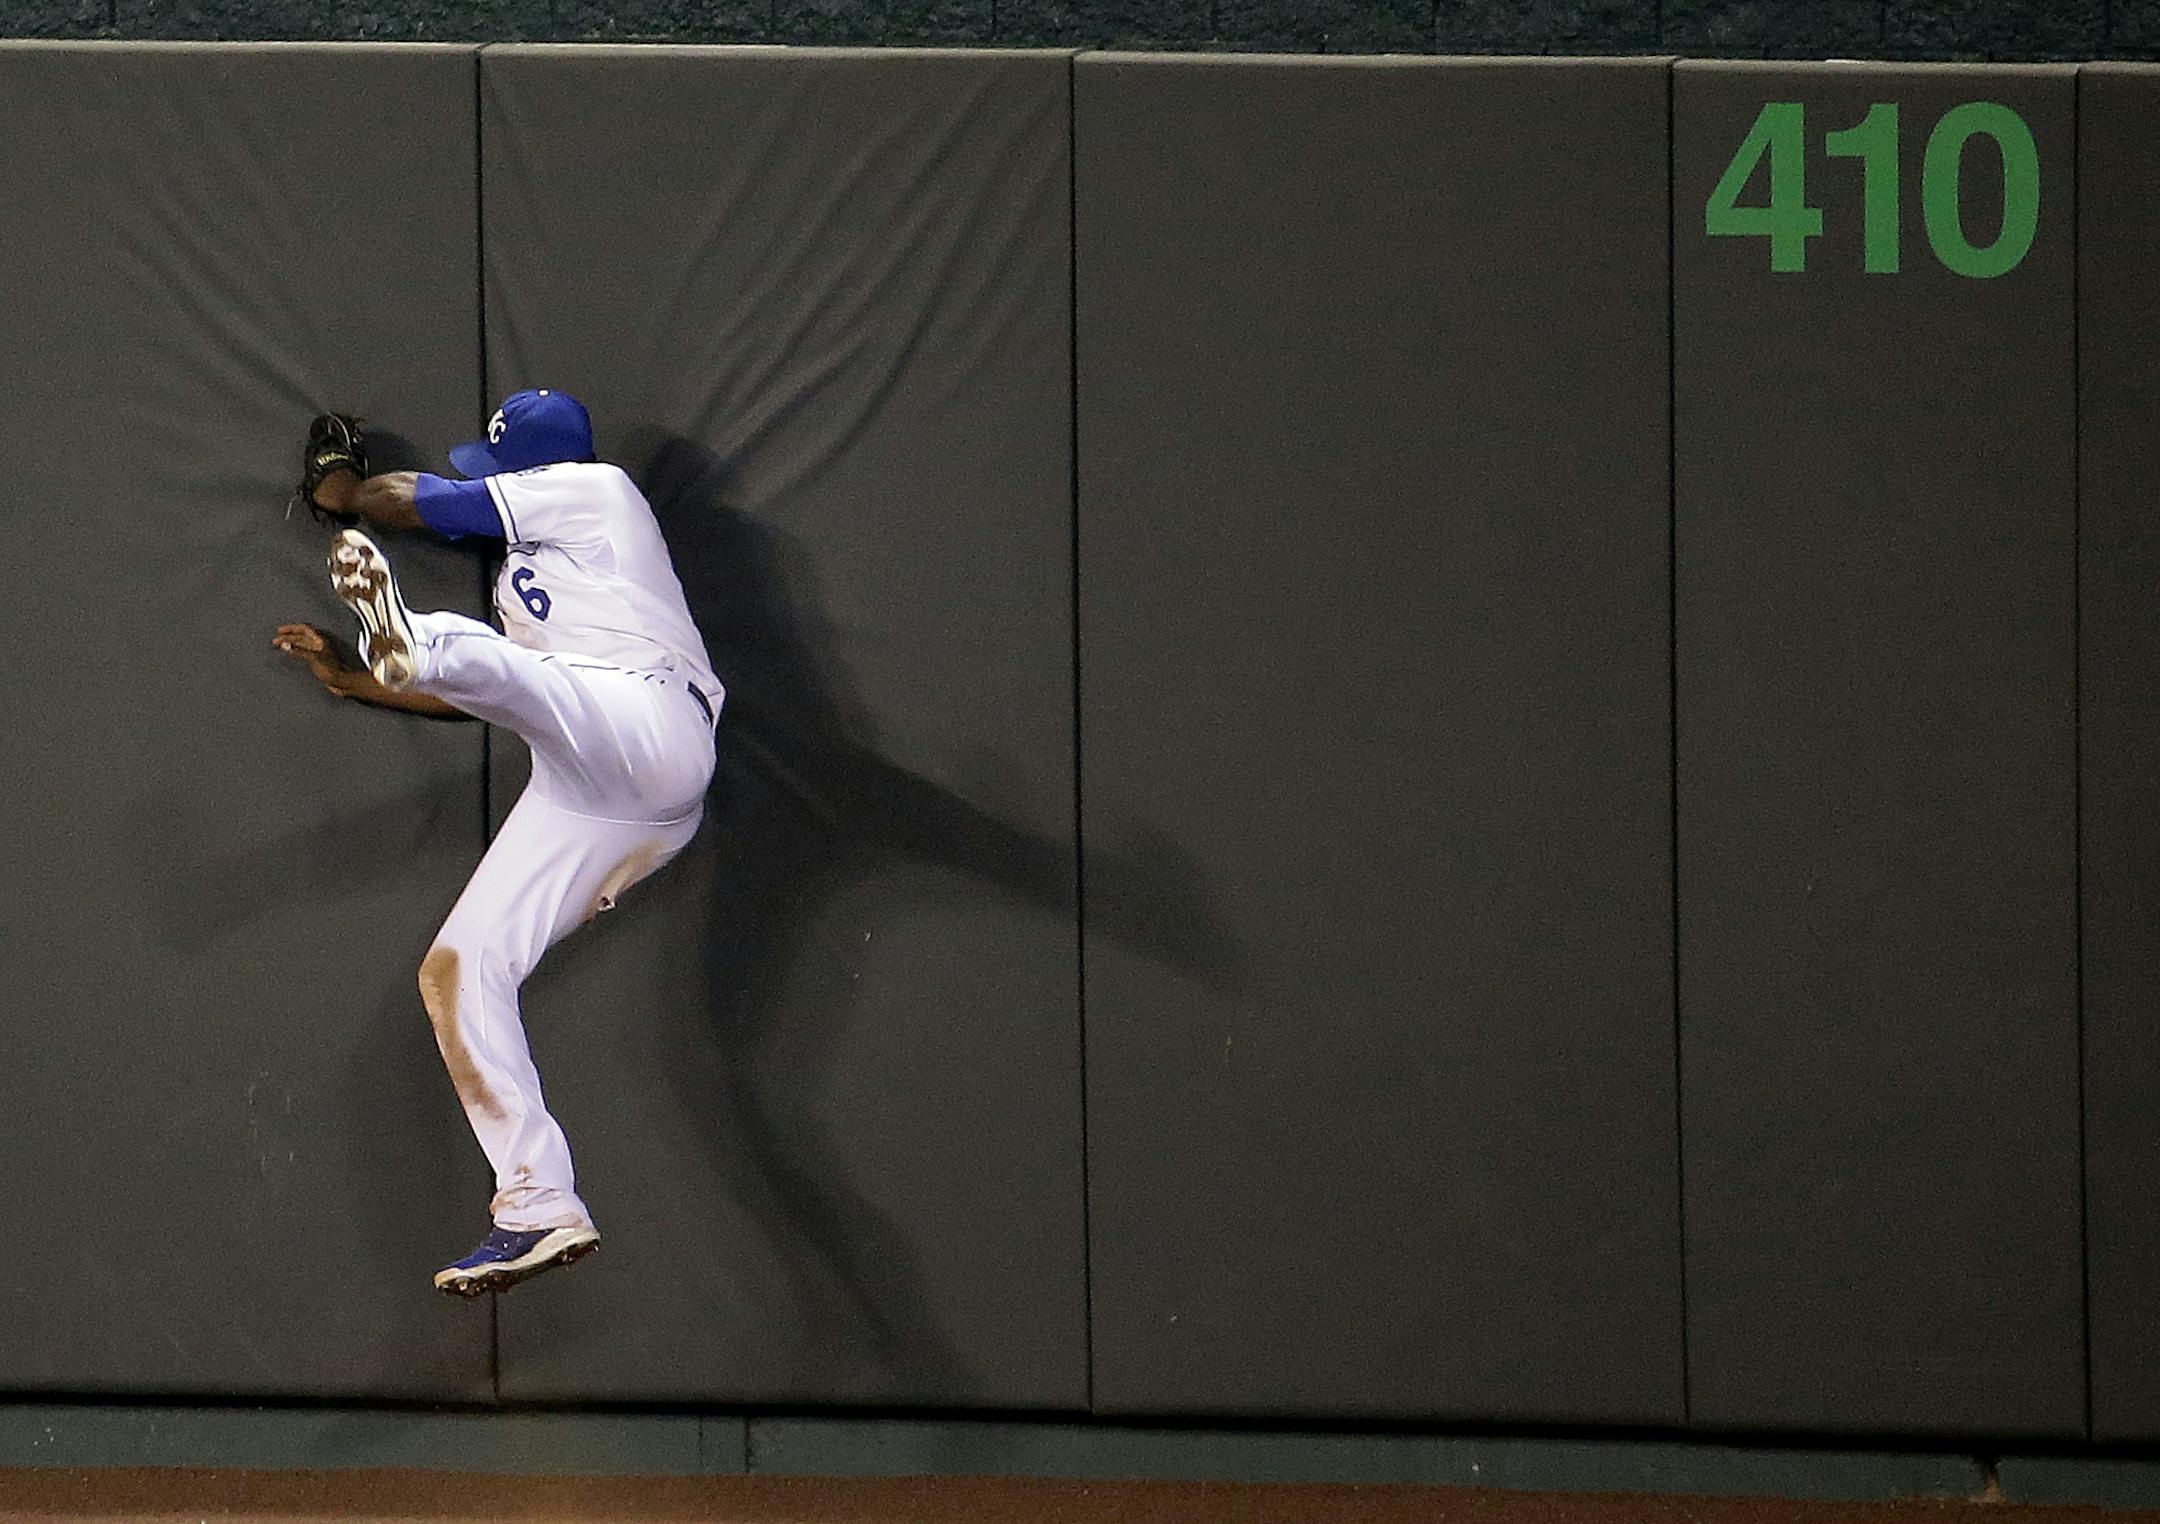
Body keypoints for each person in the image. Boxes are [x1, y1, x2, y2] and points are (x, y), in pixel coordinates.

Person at [272, 389, 723, 1297]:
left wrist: (345, 493)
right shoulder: (531, 582)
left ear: (539, 467)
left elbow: (421, 503)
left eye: (499, 465)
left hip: (651, 718)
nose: (490, 481)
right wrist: (361, 685)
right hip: (598, 785)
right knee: (458, 969)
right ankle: (536, 1206)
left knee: (509, 667)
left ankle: (419, 635)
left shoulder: (597, 491)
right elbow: (501, 695)